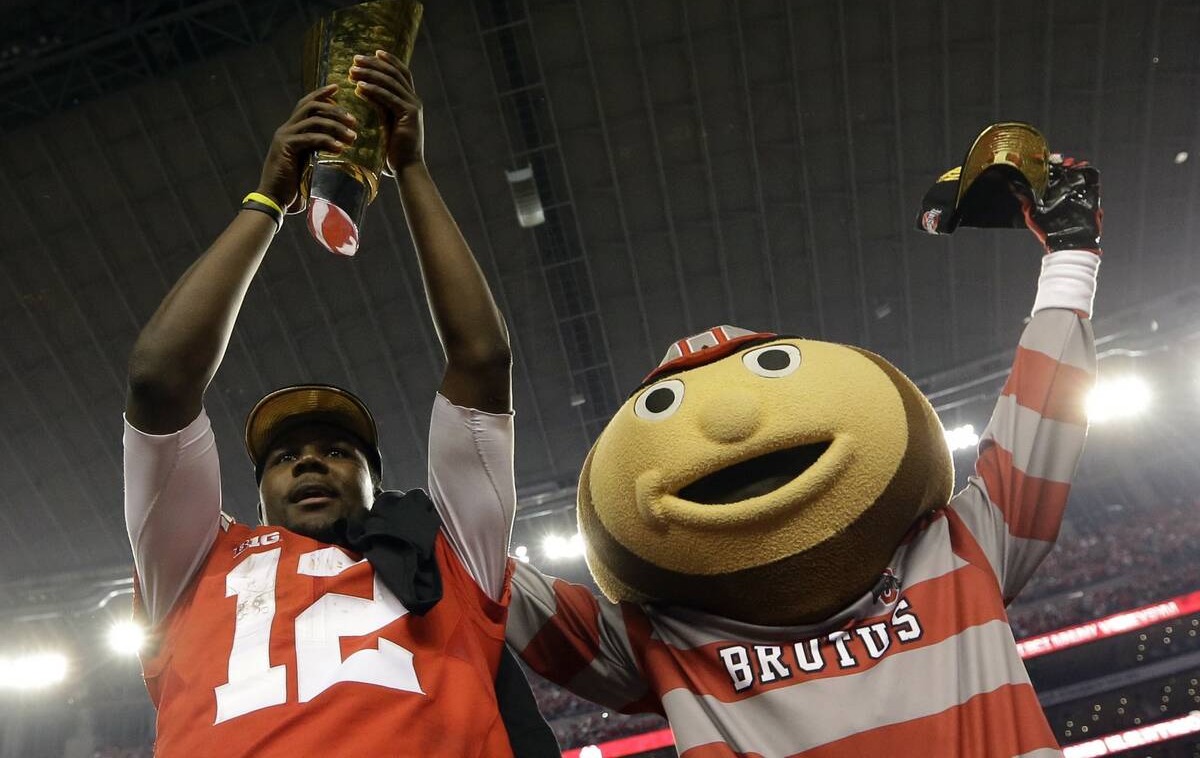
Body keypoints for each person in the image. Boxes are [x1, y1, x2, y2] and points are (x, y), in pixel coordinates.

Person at [504, 156, 1103, 756]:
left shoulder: (958, 547)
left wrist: (1072, 257)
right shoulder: (660, 640)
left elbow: (1039, 420)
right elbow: (484, 577)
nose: (731, 421)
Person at [124, 51, 550, 756]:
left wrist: (410, 168)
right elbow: (157, 381)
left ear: (376, 481)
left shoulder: (449, 552)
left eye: (336, 450)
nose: (310, 463)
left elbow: (482, 358)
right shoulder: (195, 562)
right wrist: (268, 201)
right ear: (255, 491)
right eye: (285, 457)